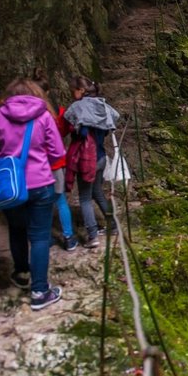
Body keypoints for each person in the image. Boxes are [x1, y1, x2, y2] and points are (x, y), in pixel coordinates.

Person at [0, 78, 65, 310]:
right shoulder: (44, 116)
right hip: (40, 183)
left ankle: (21, 273)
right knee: (39, 236)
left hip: (10, 185)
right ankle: (40, 291)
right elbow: (57, 151)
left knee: (17, 229)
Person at [64, 76, 120, 248]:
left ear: (81, 91)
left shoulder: (78, 107)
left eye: (73, 91)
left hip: (87, 159)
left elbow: (79, 131)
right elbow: (114, 118)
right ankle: (113, 225)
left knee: (85, 197)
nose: (72, 94)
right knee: (97, 192)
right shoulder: (102, 105)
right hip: (101, 157)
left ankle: (92, 235)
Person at [32, 72, 79, 251]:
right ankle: (68, 237)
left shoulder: (26, 114)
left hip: (34, 165)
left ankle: (43, 237)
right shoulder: (53, 113)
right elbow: (62, 133)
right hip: (54, 163)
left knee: (39, 202)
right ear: (49, 90)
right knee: (60, 201)